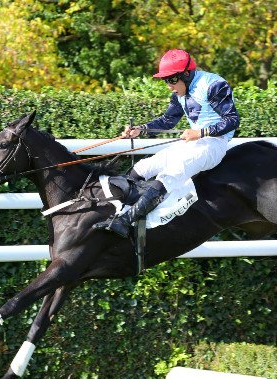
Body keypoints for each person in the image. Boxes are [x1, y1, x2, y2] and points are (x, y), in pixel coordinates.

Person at [93, 49, 240, 238]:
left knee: (169, 174)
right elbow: (167, 121)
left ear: (186, 74)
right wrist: (141, 129)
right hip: (192, 142)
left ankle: (125, 222)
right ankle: (118, 211)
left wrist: (200, 132)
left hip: (213, 144)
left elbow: (232, 120)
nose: (169, 86)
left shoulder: (213, 85)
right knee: (143, 167)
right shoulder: (179, 91)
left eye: (172, 80)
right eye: (166, 80)